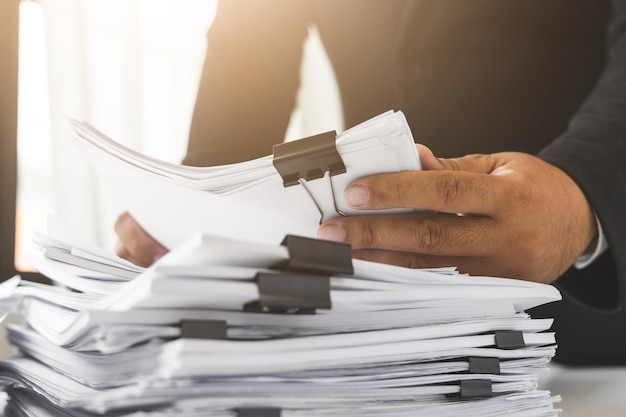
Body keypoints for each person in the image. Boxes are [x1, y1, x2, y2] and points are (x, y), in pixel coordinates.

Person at [115, 0, 626, 363]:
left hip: (577, 324)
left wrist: (582, 187)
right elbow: (242, 75)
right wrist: (192, 216)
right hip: (362, 337)